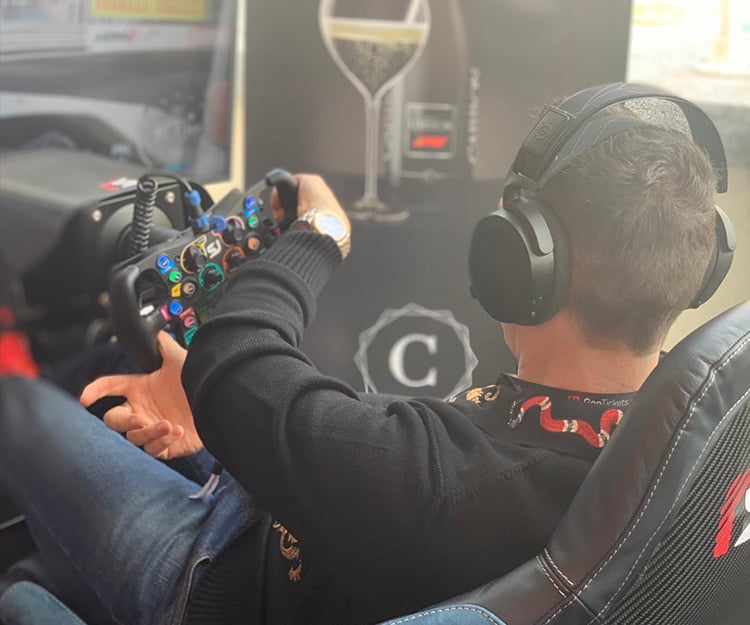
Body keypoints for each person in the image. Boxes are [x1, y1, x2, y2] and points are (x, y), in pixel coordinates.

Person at [0, 95, 719, 625]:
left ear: (517, 264)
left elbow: (234, 357)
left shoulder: (444, 483)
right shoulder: (664, 452)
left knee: (20, 401)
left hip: (207, 580)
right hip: (290, 519)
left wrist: (317, 237)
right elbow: (374, 456)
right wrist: (231, 423)